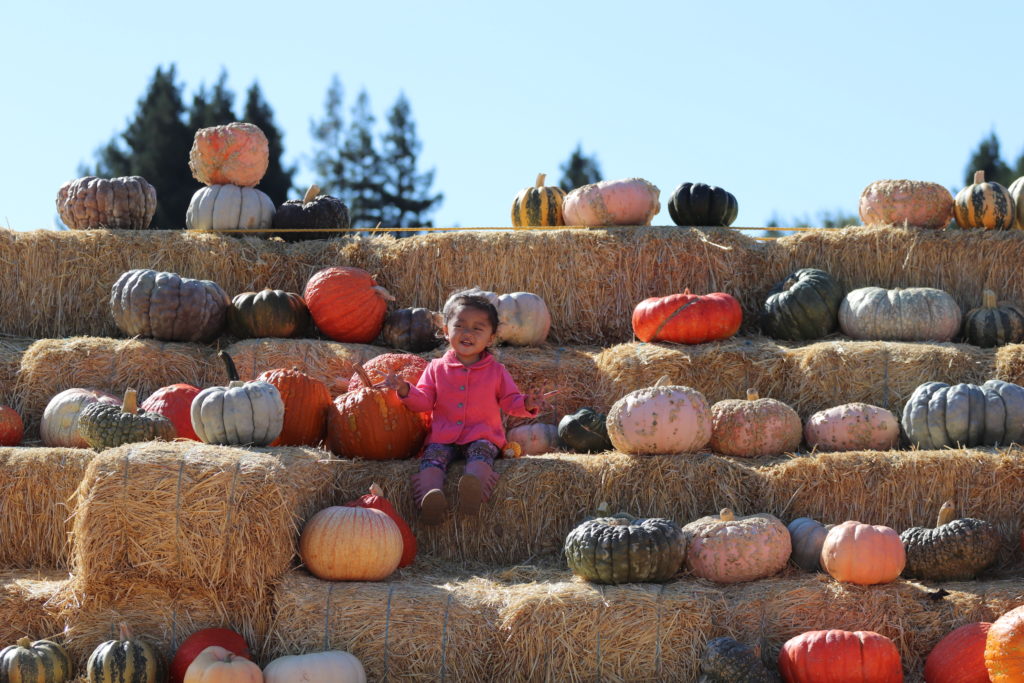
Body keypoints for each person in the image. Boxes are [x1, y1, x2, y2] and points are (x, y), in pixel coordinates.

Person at [375, 291, 544, 525]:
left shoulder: (497, 371)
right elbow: (423, 401)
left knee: (481, 454)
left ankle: (473, 490)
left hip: (482, 435)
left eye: (478, 328)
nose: (467, 333)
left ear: (491, 338)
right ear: (446, 331)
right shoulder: (435, 368)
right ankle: (430, 498)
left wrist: (527, 403)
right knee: (432, 459)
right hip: (443, 436)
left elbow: (510, 402)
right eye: (460, 326)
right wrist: (404, 389)